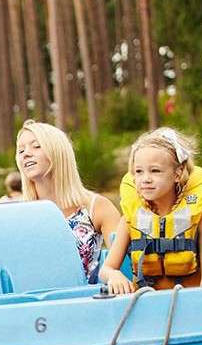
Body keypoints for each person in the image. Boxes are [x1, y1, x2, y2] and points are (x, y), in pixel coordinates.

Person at [98, 128, 202, 294]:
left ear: (178, 173)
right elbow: (106, 269)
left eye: (155, 171)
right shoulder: (128, 221)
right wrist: (114, 275)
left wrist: (200, 302)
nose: (146, 179)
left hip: (188, 303)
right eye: (139, 171)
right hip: (145, 304)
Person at [15, 120, 122, 283]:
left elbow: (125, 265)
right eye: (21, 150)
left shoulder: (96, 207)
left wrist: (113, 275)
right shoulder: (17, 214)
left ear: (59, 152)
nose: (26, 153)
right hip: (34, 304)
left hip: (85, 303)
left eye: (36, 146)